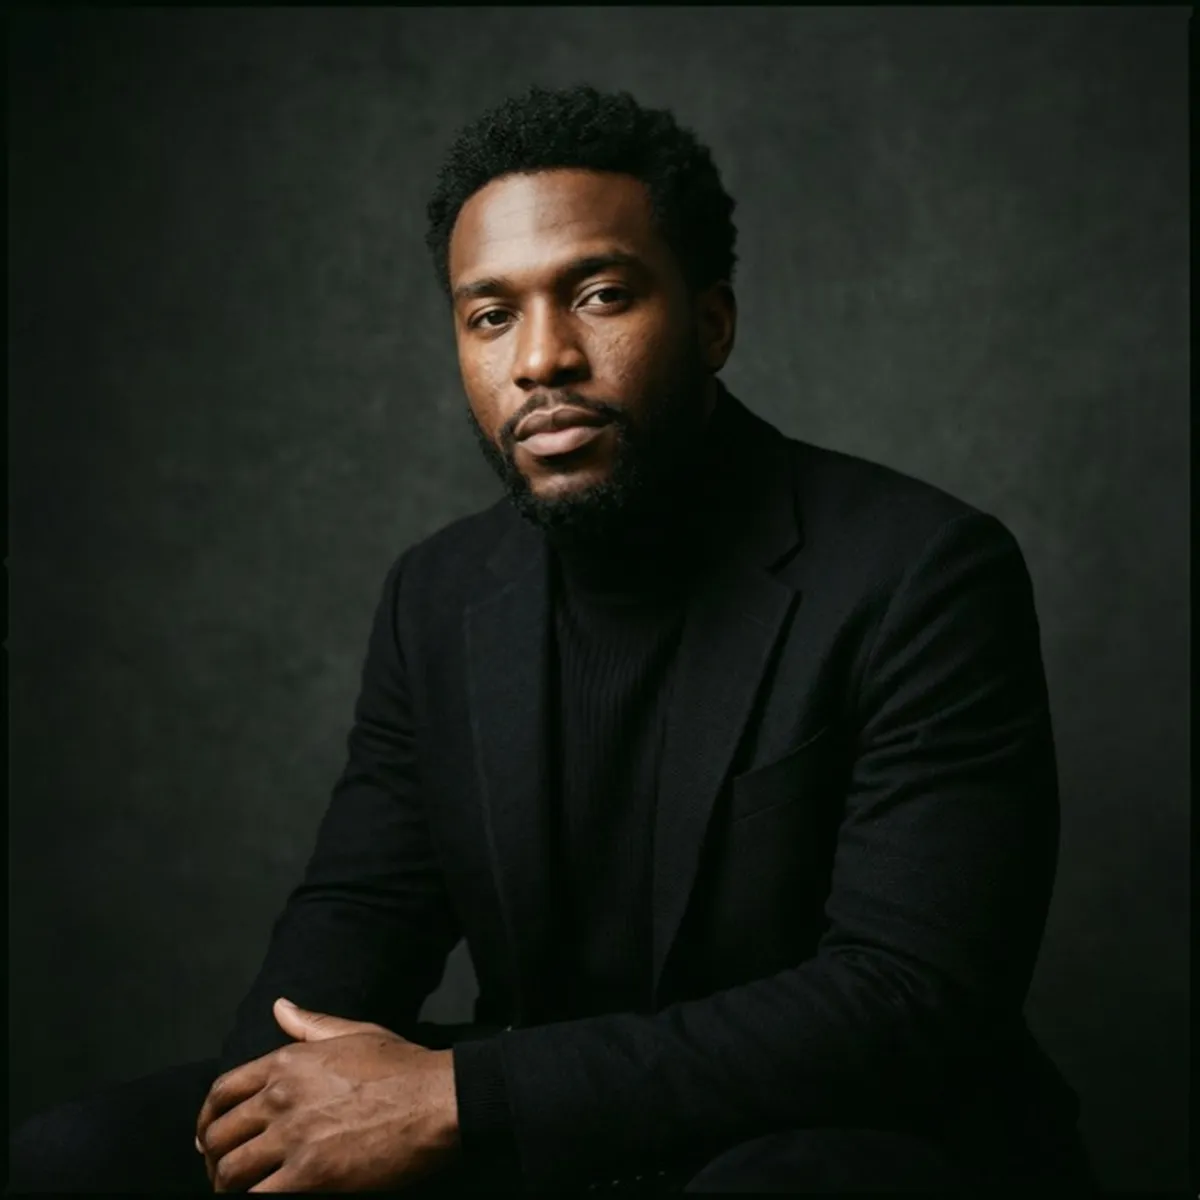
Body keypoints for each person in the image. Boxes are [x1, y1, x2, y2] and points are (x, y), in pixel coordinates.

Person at [9, 84, 1097, 1194]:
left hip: (839, 1129)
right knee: (79, 1162)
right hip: (549, 1131)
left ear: (712, 321)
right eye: (490, 316)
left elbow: (909, 1000)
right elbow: (359, 914)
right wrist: (270, 1109)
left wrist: (466, 1100)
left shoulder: (920, 569)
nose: (541, 360)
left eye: (601, 295)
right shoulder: (436, 594)